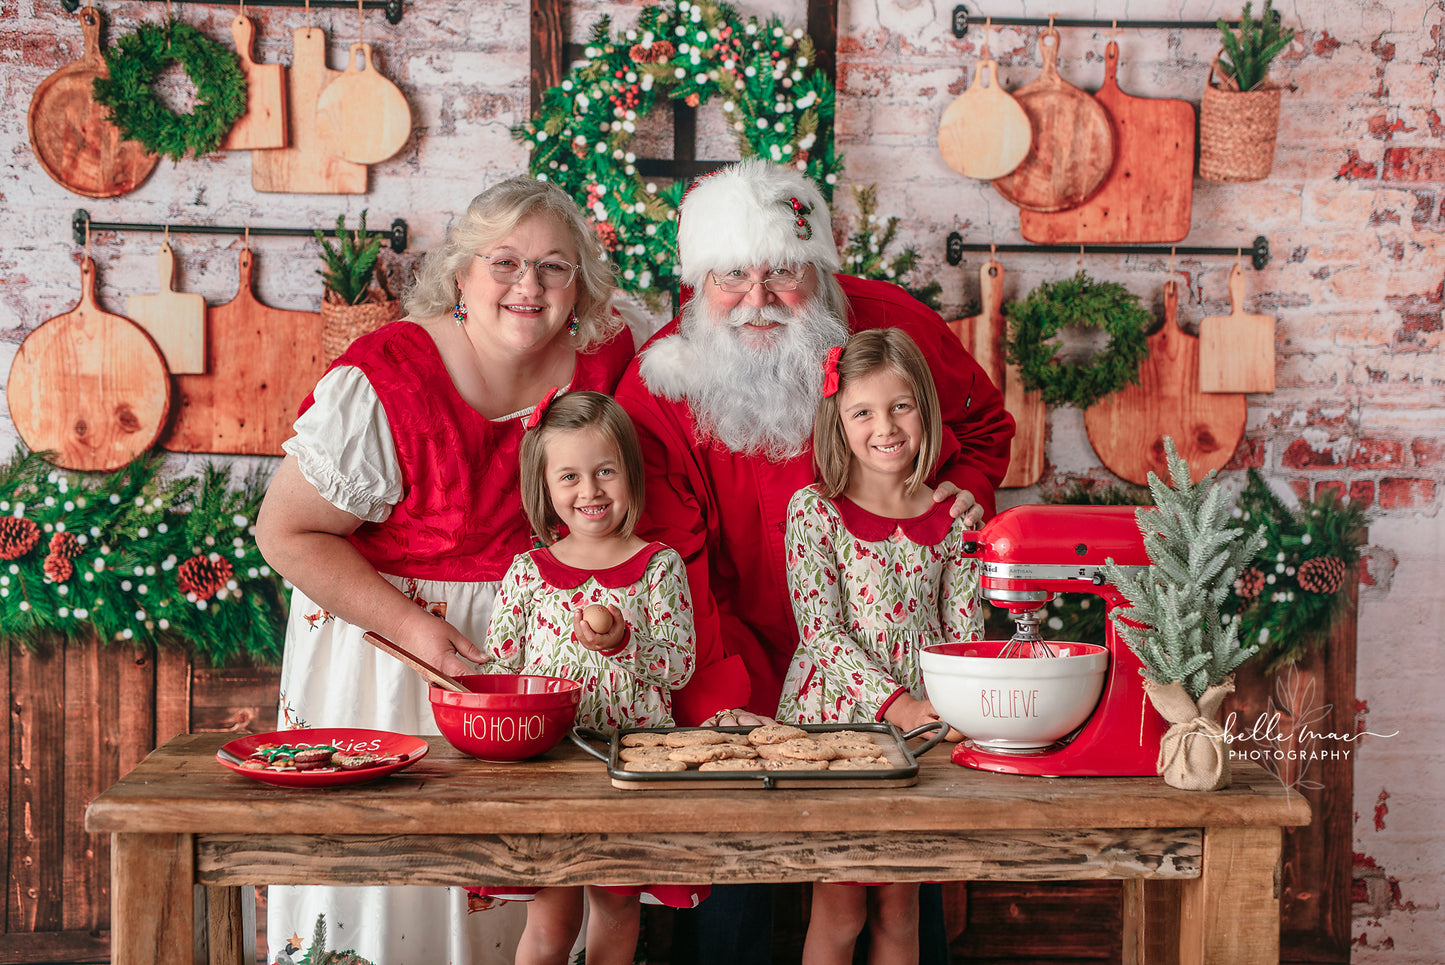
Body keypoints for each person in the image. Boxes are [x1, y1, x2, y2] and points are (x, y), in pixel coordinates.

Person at [612, 158, 1014, 964]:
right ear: (698, 284)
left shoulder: (889, 327)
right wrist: (726, 704)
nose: (756, 298)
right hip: (735, 650)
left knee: (903, 887)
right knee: (738, 883)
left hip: (896, 656)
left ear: (818, 266)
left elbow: (981, 428)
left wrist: (963, 491)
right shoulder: (657, 385)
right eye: (730, 275)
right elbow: (667, 569)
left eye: (782, 272)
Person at [253, 176, 635, 965]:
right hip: (394, 663)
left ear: (581, 284)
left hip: (541, 674)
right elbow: (284, 532)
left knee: (535, 896)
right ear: (461, 273)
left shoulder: (610, 365)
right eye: (504, 262)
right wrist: (412, 627)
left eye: (554, 267)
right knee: (401, 894)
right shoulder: (388, 375)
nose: (527, 286)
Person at [476, 388, 702, 964]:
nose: (590, 491)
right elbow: (502, 674)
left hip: (632, 767)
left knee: (619, 910)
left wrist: (625, 640)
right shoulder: (528, 573)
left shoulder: (658, 565)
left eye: (606, 472)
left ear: (630, 474)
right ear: (545, 487)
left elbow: (678, 668)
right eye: (570, 477)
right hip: (553, 769)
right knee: (552, 919)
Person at [782, 328, 982, 965]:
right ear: (838, 424)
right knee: (840, 907)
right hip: (839, 729)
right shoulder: (815, 512)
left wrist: (954, 708)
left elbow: (964, 633)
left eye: (900, 406)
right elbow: (821, 630)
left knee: (902, 906)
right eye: (862, 412)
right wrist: (895, 704)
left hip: (927, 729)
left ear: (924, 409)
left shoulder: (953, 517)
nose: (885, 427)